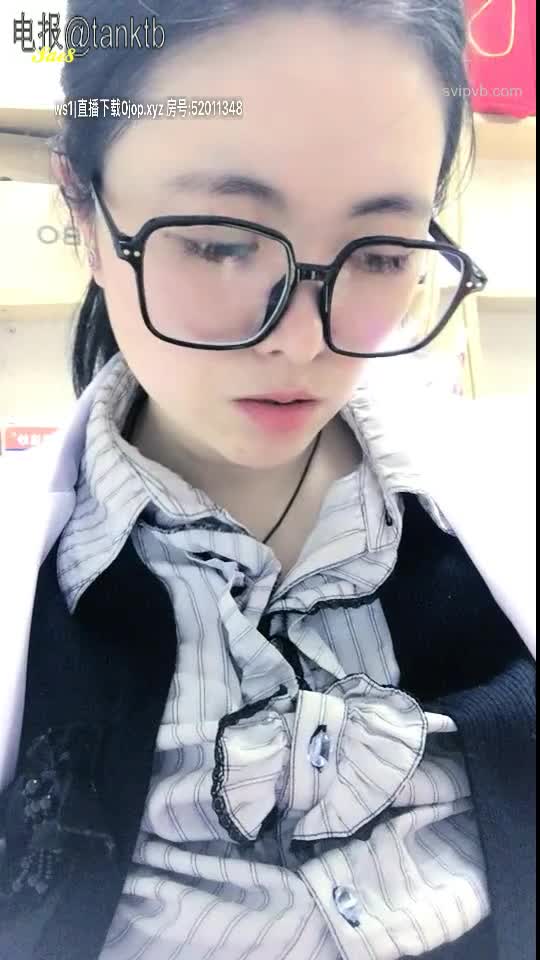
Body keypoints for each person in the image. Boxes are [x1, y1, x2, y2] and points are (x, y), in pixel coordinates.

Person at [0, 1, 535, 958]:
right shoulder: (36, 579)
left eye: (381, 253)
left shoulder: (499, 494)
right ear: (82, 209)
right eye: (219, 241)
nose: (300, 340)